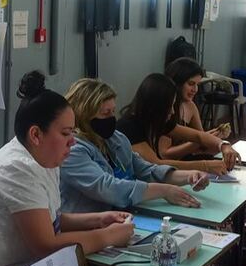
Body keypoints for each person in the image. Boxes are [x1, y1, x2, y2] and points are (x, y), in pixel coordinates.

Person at [0, 72, 134, 266]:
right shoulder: (16, 168)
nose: (73, 142)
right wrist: (107, 236)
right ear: (36, 134)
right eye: (66, 134)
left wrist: (99, 219)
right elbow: (45, 244)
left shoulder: (45, 156)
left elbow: (53, 219)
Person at [59, 77, 209, 214]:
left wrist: (189, 176)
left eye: (113, 112)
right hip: (88, 222)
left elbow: (146, 170)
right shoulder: (71, 150)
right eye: (105, 113)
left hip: (121, 215)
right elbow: (107, 188)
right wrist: (164, 190)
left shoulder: (115, 139)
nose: (112, 118)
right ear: (84, 114)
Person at [117, 73, 241, 174]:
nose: (172, 111)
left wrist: (224, 145)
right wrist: (205, 166)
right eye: (169, 106)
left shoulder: (157, 120)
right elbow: (156, 164)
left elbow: (198, 135)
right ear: (156, 106)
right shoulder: (129, 126)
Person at [162, 58, 229, 162]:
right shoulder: (165, 109)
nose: (195, 90)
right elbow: (164, 155)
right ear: (178, 83)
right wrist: (203, 140)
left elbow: (202, 143)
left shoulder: (190, 106)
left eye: (197, 84)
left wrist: (217, 135)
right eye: (191, 84)